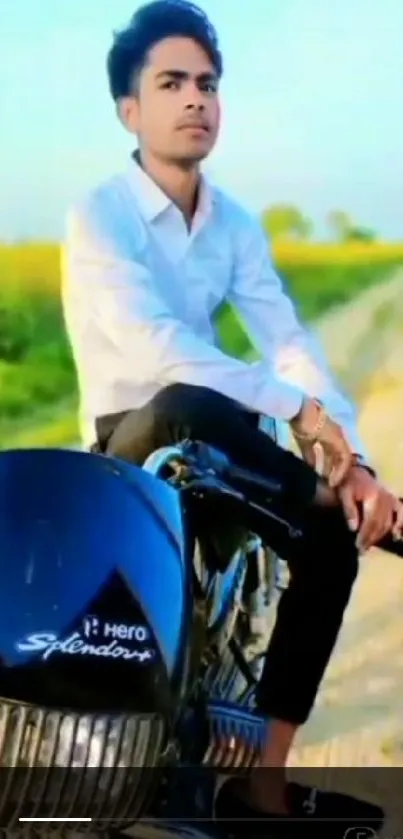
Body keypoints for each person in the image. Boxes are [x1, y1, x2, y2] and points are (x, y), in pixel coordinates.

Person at [62, 0, 403, 831]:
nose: (195, 100)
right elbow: (161, 348)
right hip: (131, 445)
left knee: (327, 540)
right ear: (129, 109)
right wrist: (300, 416)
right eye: (171, 82)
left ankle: (263, 786)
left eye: (207, 83)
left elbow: (285, 341)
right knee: (183, 399)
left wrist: (351, 456)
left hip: (215, 426)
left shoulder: (235, 224)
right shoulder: (99, 213)